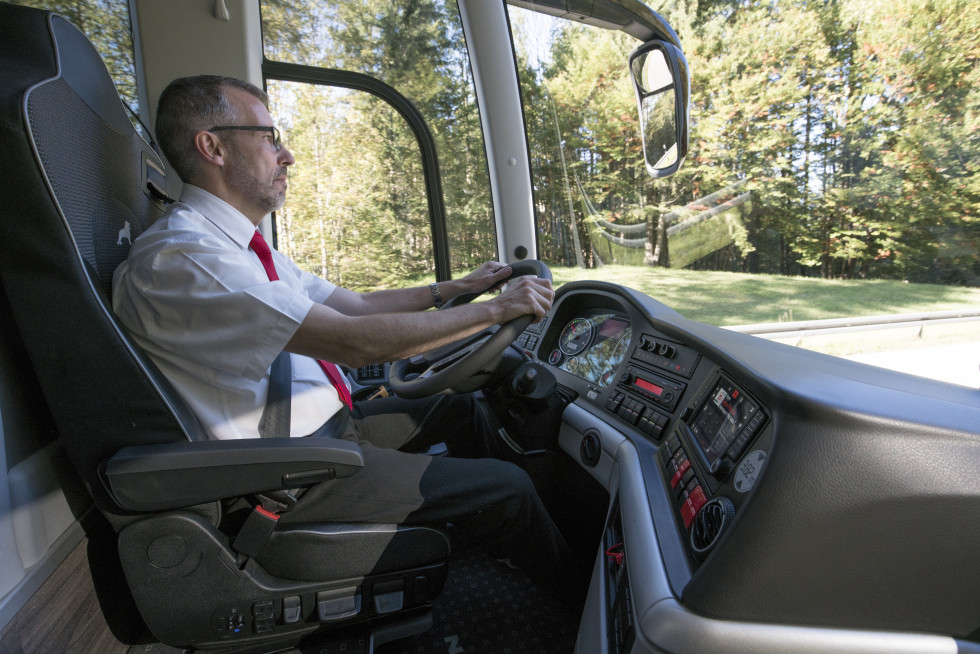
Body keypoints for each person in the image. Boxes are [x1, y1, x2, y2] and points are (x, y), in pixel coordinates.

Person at [111, 75, 579, 598]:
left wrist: (458, 288)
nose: (285, 154)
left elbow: (355, 305)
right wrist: (497, 310)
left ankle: (513, 545)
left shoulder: (235, 247)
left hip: (326, 431)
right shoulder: (189, 258)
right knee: (506, 489)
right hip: (288, 475)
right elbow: (353, 341)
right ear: (212, 146)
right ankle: (575, 599)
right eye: (268, 137)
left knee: (465, 411)